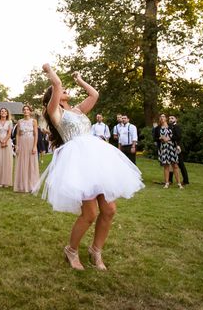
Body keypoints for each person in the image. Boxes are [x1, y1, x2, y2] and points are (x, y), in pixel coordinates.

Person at [37, 64, 144, 270]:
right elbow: (57, 83)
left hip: (97, 158)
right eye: (62, 91)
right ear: (54, 96)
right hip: (78, 162)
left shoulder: (78, 110)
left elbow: (94, 94)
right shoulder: (54, 112)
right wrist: (49, 70)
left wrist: (80, 80)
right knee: (90, 214)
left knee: (110, 209)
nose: (66, 90)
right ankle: (71, 250)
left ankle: (96, 251)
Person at [14, 104, 40, 193]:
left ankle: (31, 184)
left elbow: (36, 134)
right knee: (22, 163)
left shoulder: (34, 121)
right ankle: (22, 184)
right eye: (24, 109)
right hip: (22, 143)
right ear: (22, 111)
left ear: (30, 111)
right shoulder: (19, 121)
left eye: (27, 109)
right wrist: (17, 145)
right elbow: (17, 134)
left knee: (31, 164)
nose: (26, 111)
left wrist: (35, 146)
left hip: (31, 143)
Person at [153, 114, 182, 189]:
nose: (162, 118)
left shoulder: (172, 126)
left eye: (163, 116)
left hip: (172, 147)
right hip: (163, 148)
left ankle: (179, 183)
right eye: (160, 117)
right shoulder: (157, 128)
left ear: (166, 118)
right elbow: (154, 138)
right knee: (166, 166)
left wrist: (169, 138)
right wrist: (160, 138)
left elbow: (178, 136)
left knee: (175, 165)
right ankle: (166, 183)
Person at [168, 115, 189, 185]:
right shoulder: (170, 127)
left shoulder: (177, 126)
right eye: (169, 118)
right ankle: (170, 180)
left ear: (176, 119)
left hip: (177, 148)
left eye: (172, 118)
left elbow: (178, 136)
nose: (170, 119)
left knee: (180, 164)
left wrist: (170, 137)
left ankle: (186, 180)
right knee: (171, 163)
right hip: (172, 147)